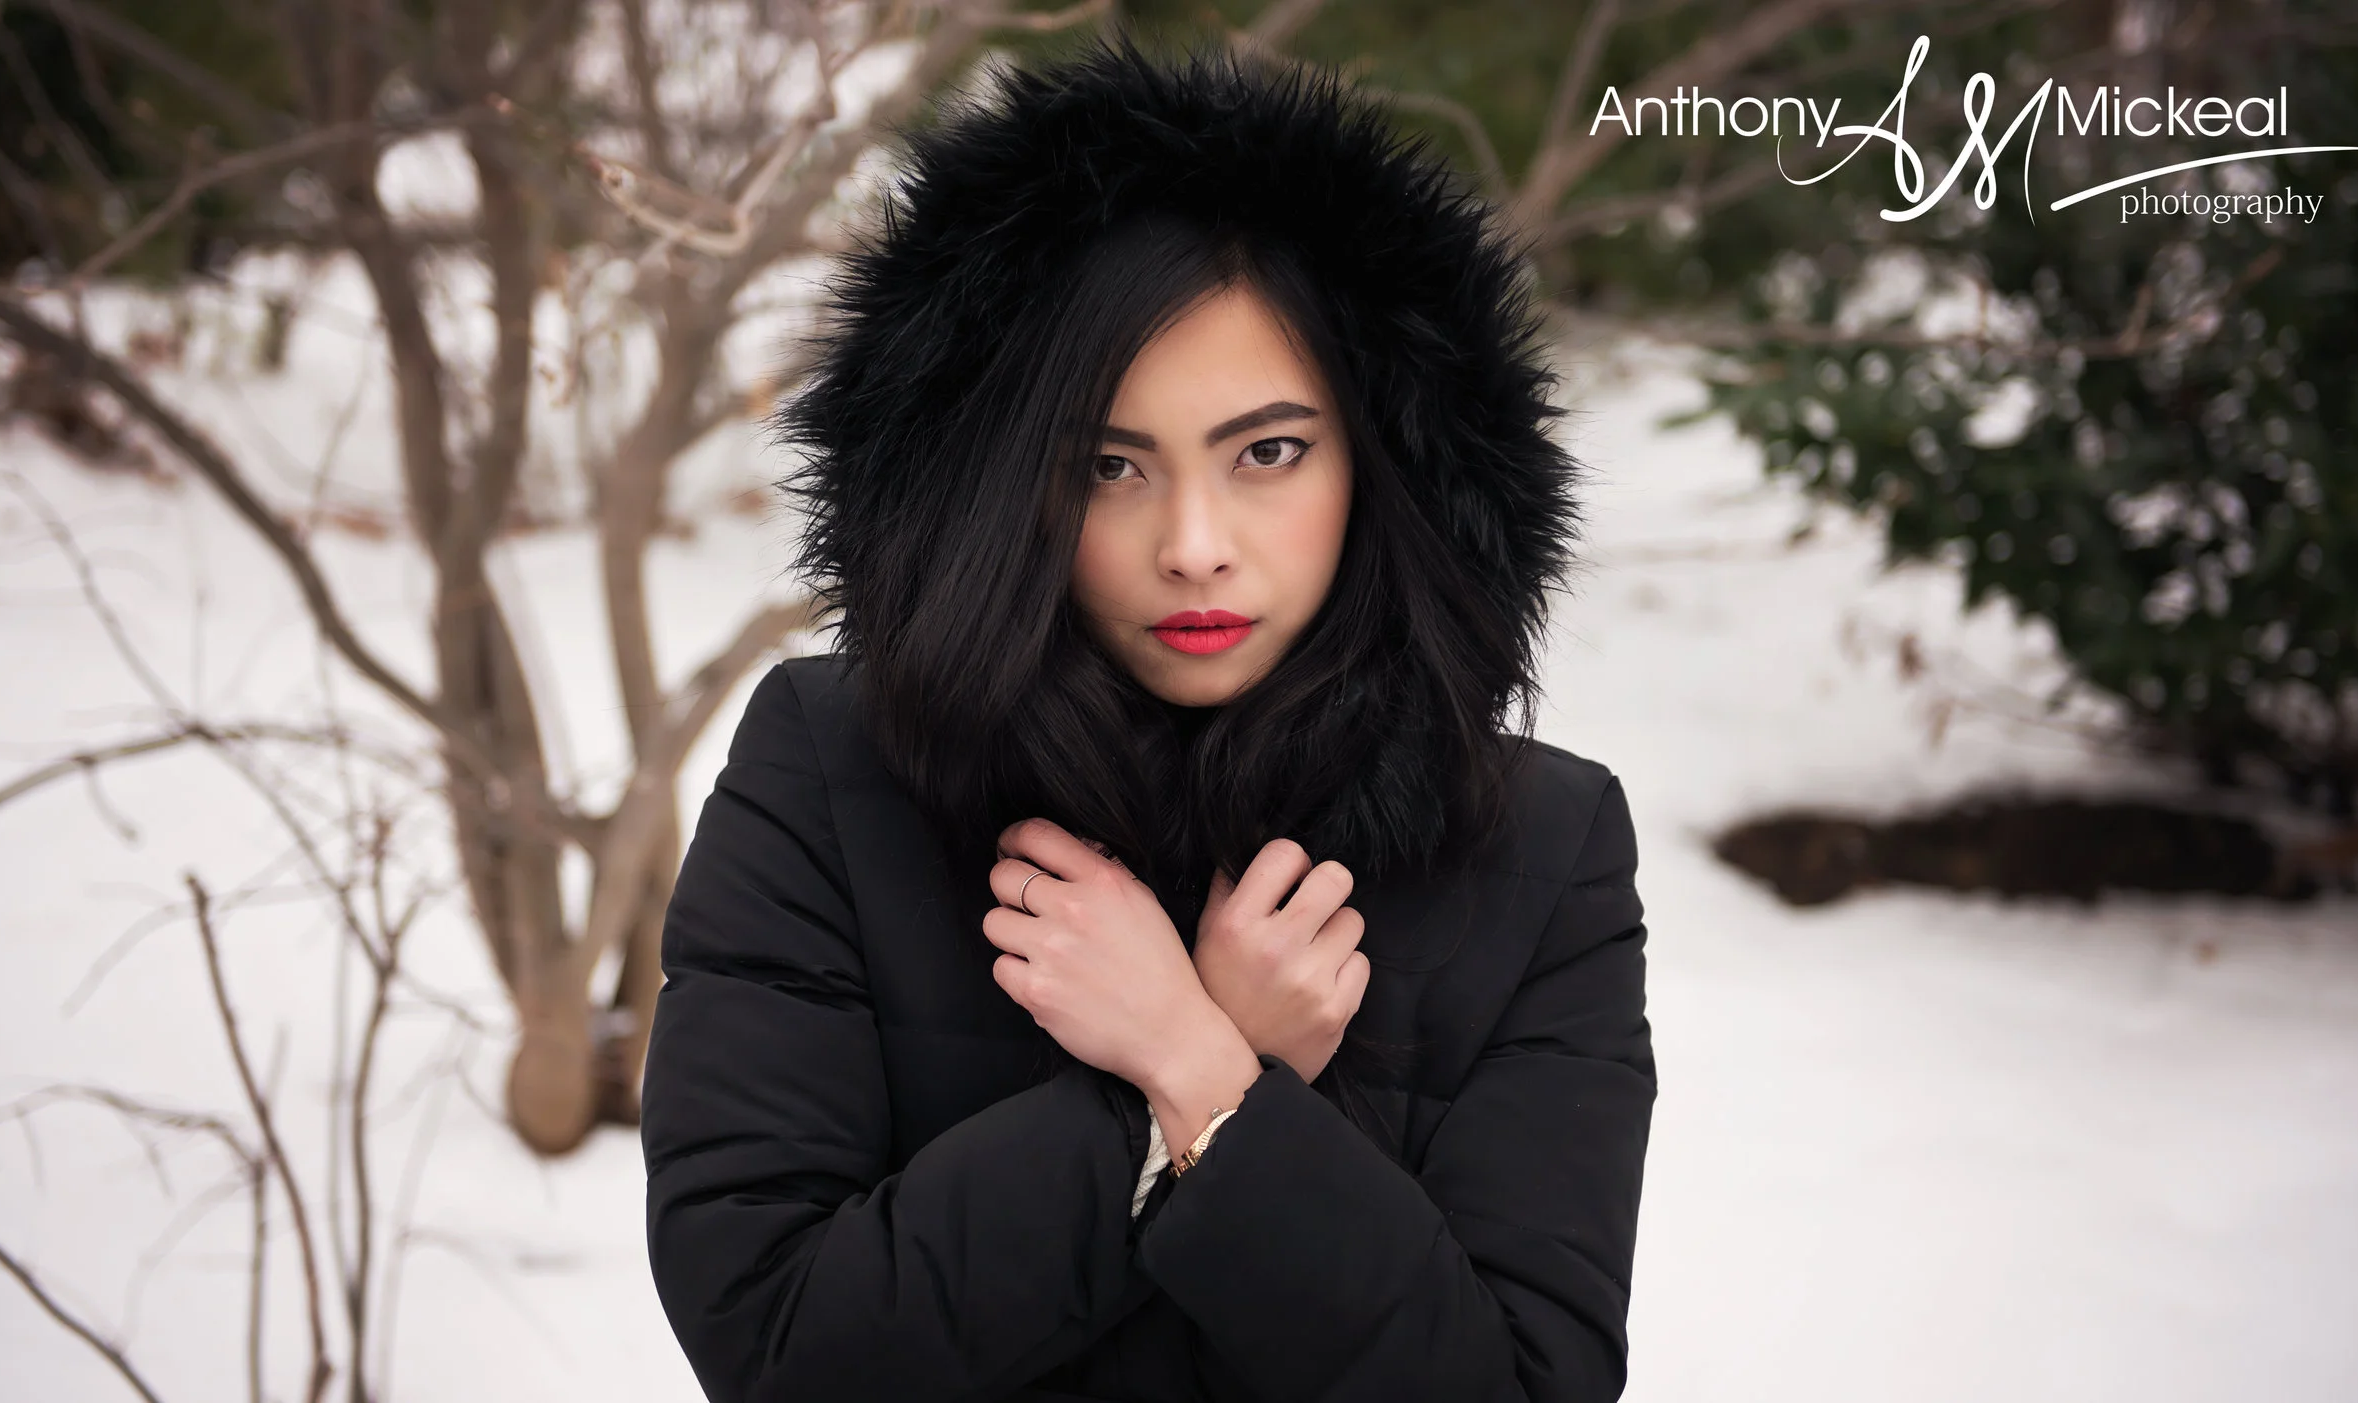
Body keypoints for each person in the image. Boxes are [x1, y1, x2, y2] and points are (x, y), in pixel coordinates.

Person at [640, 39, 1654, 1403]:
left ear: (1385, 461)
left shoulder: (1543, 848)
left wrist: (1202, 1074)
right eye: (1111, 464)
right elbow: (780, 1348)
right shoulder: (832, 773)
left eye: (1268, 453)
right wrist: (1158, 1099)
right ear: (1005, 478)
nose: (1193, 546)